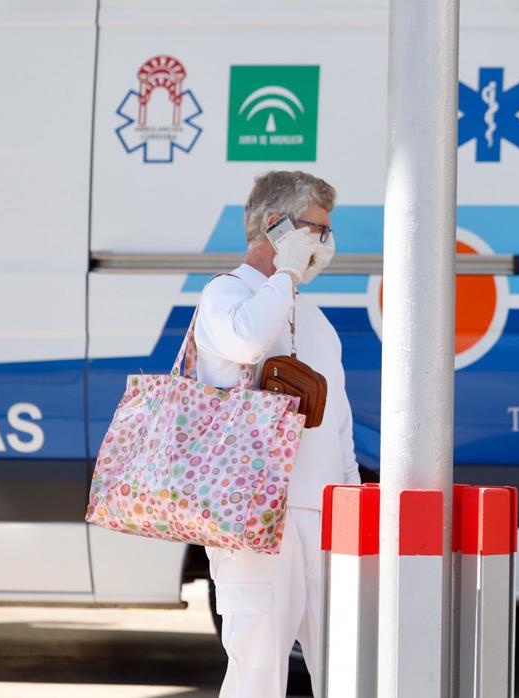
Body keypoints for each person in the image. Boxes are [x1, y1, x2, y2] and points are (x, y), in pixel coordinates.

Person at [195, 170, 360, 697]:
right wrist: (283, 277)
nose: (323, 244)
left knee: (347, 669)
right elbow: (247, 343)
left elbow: (340, 427)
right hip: (253, 520)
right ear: (275, 226)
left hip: (323, 516)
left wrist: (353, 504)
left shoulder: (317, 321)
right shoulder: (224, 297)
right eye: (314, 229)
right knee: (257, 671)